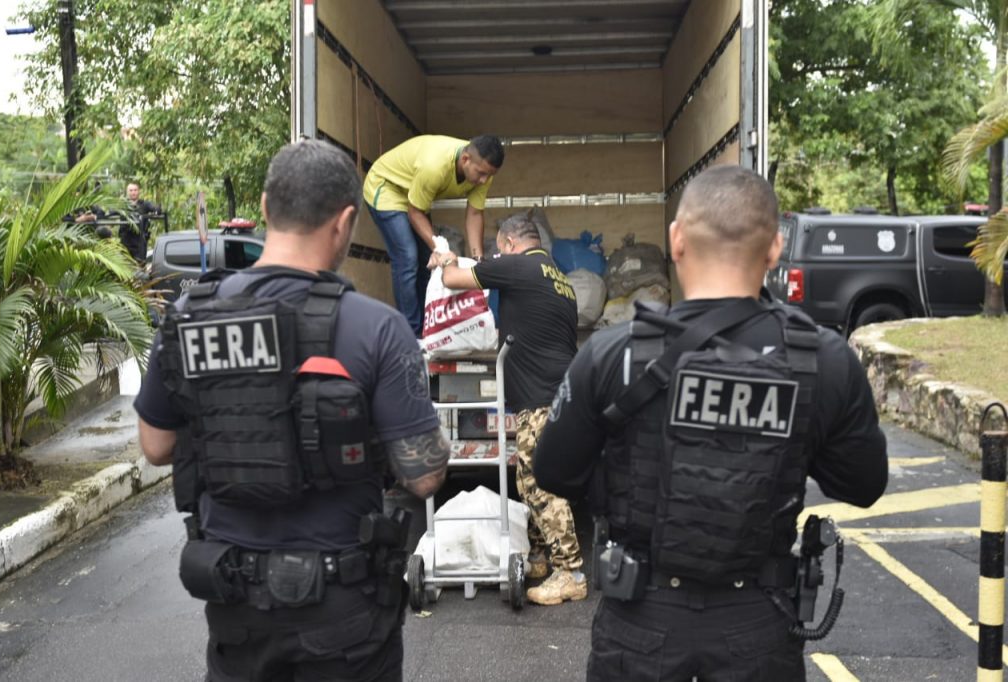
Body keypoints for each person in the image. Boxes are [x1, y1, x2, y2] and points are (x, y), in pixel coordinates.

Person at [533, 165, 888, 680]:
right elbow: (862, 484)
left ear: (677, 241)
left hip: (640, 621)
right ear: (775, 248)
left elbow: (554, 472)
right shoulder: (824, 360)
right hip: (759, 625)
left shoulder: (612, 354)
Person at [135, 139, 451, 681]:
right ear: (345, 221)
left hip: (235, 603)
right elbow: (423, 476)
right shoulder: (376, 327)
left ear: (264, 208)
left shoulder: (189, 314)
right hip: (343, 613)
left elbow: (156, 445)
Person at [430, 211, 587, 606]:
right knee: (527, 479)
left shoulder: (518, 266)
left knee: (539, 482)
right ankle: (539, 557)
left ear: (510, 243)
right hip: (560, 392)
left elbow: (453, 279)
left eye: (499, 248)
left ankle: (571, 573)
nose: (498, 255)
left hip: (540, 396)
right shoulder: (560, 278)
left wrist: (446, 258)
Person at [364, 134, 504, 336]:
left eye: (489, 175)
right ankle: (411, 333)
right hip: (387, 188)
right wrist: (439, 249)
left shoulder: (483, 173)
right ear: (465, 159)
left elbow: (474, 214)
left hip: (416, 197)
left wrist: (478, 260)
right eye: (481, 173)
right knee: (407, 257)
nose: (484, 180)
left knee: (428, 263)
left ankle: (427, 329)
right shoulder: (435, 165)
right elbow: (414, 212)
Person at [118, 182, 160, 262]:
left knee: (140, 264)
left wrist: (156, 210)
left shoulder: (144, 204)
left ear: (138, 191)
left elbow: (155, 208)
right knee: (126, 263)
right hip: (126, 240)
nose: (133, 192)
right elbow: (109, 212)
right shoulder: (122, 205)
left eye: (135, 190)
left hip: (139, 241)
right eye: (131, 190)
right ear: (127, 192)